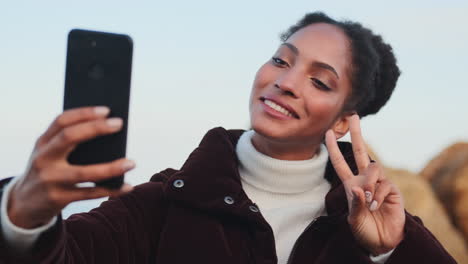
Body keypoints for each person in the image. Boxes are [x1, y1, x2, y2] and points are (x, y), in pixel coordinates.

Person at [0, 12, 456, 264]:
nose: (286, 82)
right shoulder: (163, 203)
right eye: (281, 61)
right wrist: (23, 217)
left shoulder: (378, 226)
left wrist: (388, 253)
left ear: (343, 122)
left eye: (320, 82)